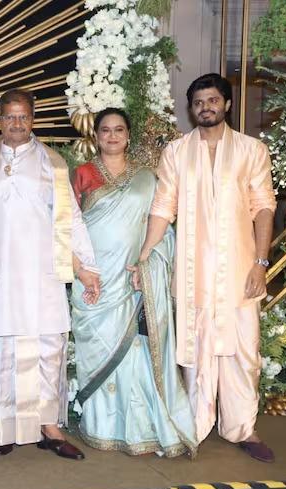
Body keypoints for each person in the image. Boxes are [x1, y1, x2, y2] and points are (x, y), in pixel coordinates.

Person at [134, 74, 277, 462]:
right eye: (198, 102)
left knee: (243, 352)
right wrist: (145, 255)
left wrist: (261, 263)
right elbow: (163, 206)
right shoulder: (177, 152)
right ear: (191, 108)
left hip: (240, 272)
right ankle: (193, 427)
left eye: (213, 100)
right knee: (196, 350)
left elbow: (264, 207)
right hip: (194, 273)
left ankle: (242, 428)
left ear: (227, 104)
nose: (205, 108)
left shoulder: (251, 150)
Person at [0, 89, 99, 459]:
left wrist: (85, 266)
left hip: (43, 270)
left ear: (33, 120)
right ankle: (4, 426)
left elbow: (70, 218)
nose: (17, 124)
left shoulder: (52, 163)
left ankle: (49, 427)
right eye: (10, 117)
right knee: (3, 349)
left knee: (48, 348)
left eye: (23, 117)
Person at [73, 108, 197, 457]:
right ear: (96, 136)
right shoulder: (81, 175)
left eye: (119, 130)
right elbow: (66, 228)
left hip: (132, 279)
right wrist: (79, 269)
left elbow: (163, 231)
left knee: (136, 355)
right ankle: (101, 426)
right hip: (93, 281)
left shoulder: (147, 178)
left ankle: (139, 428)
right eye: (105, 130)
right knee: (100, 350)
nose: (112, 136)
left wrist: (147, 264)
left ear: (128, 136)